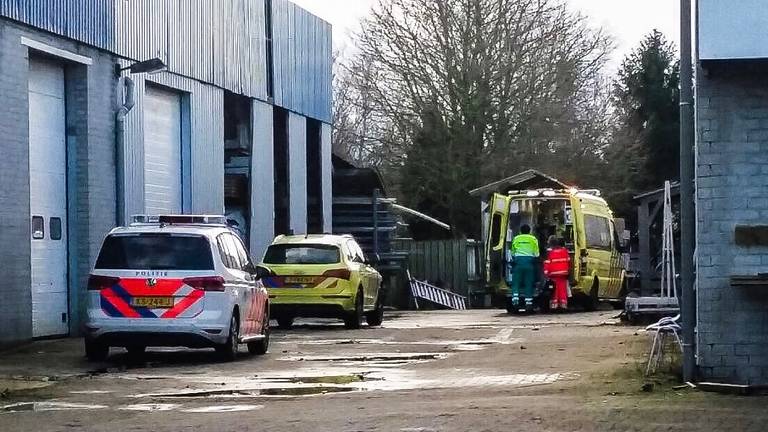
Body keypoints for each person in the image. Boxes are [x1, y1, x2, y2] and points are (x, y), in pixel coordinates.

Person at [509, 224, 540, 311]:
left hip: (518, 262)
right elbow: (537, 253)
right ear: (529, 231)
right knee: (528, 282)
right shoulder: (533, 239)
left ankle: (515, 300)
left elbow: (513, 252)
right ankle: (528, 303)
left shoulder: (516, 238)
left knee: (516, 282)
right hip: (529, 262)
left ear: (520, 231)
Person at [543, 236, 570, 311]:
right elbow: (568, 260)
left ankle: (554, 305)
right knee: (562, 290)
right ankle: (563, 305)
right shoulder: (564, 251)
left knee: (554, 291)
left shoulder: (550, 253)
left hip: (553, 275)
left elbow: (547, 263)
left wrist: (546, 273)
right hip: (563, 274)